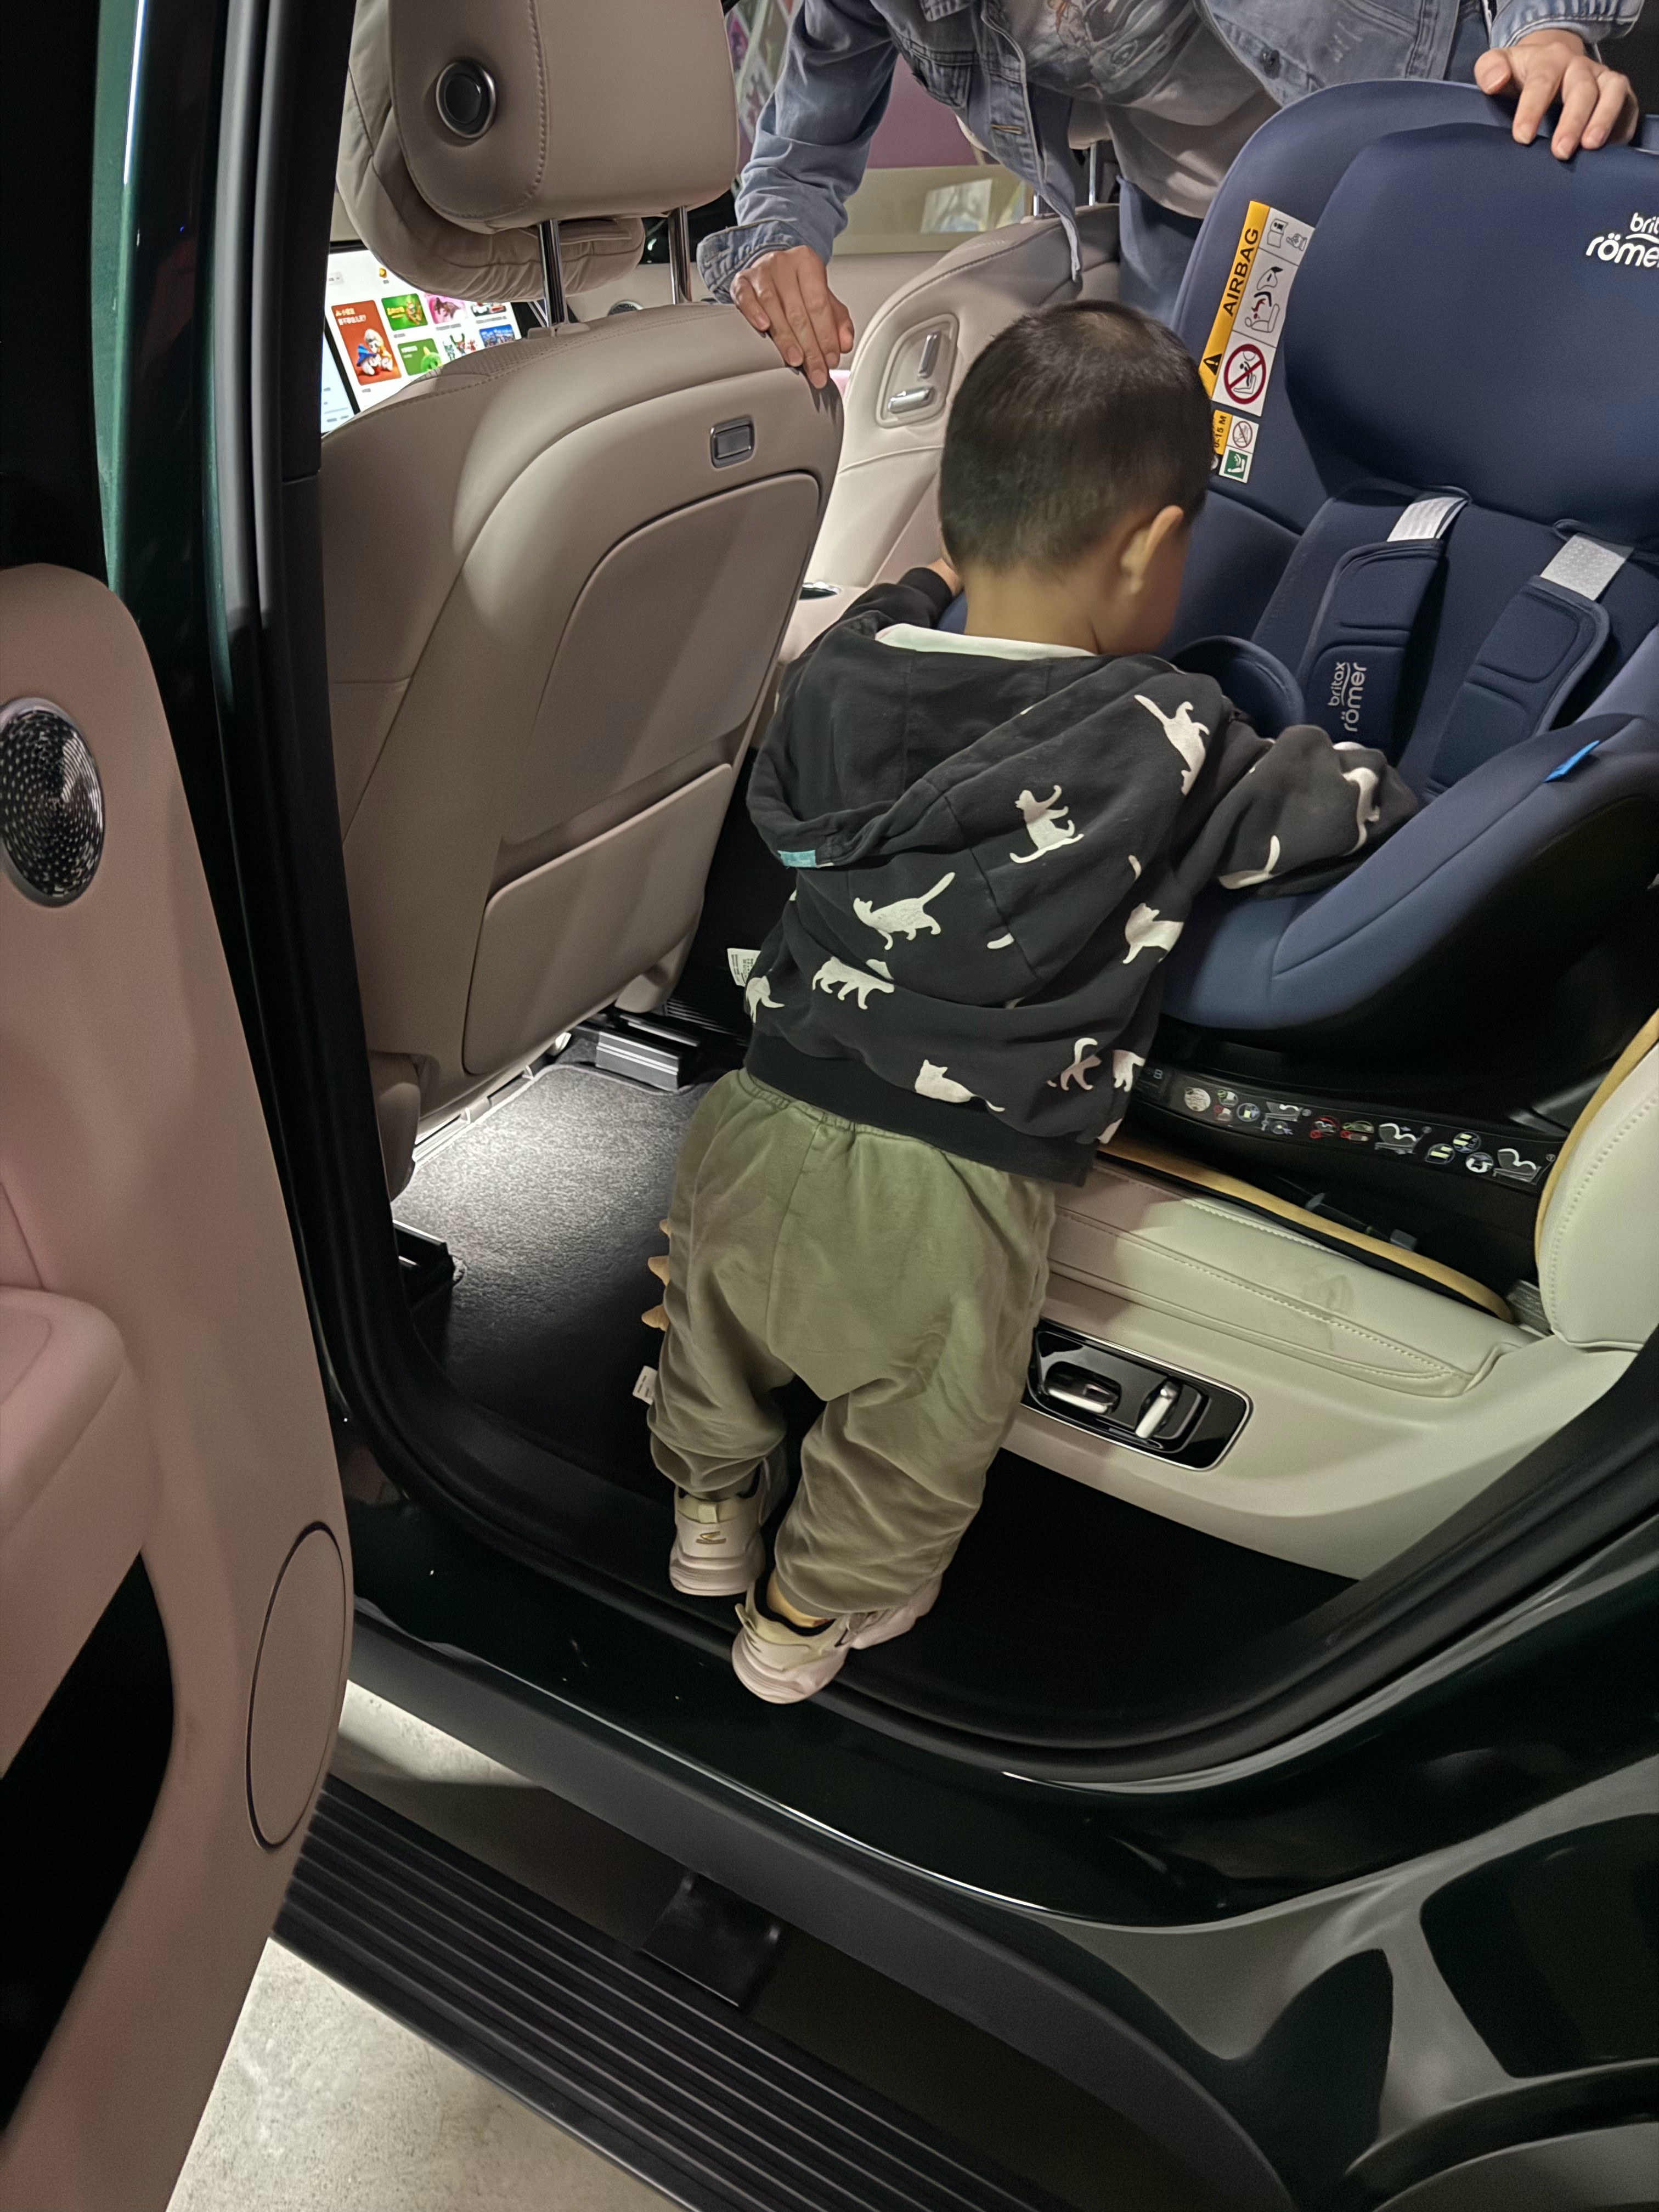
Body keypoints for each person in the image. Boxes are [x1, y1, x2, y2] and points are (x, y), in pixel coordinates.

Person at [647, 300, 1417, 1702]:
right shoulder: (1165, 734)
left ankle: (707, 1517)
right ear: (1151, 548)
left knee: (712, 1333)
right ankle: (802, 1616)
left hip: (756, 1111)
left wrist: (925, 580)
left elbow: (884, 611)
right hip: (950, 1183)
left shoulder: (836, 678)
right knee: (918, 1426)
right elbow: (1320, 811)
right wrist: (1394, 778)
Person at [702, 0, 1643, 379]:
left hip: (1431, 166)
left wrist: (1550, 30)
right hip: (1200, 235)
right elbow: (799, 149)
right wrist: (778, 238)